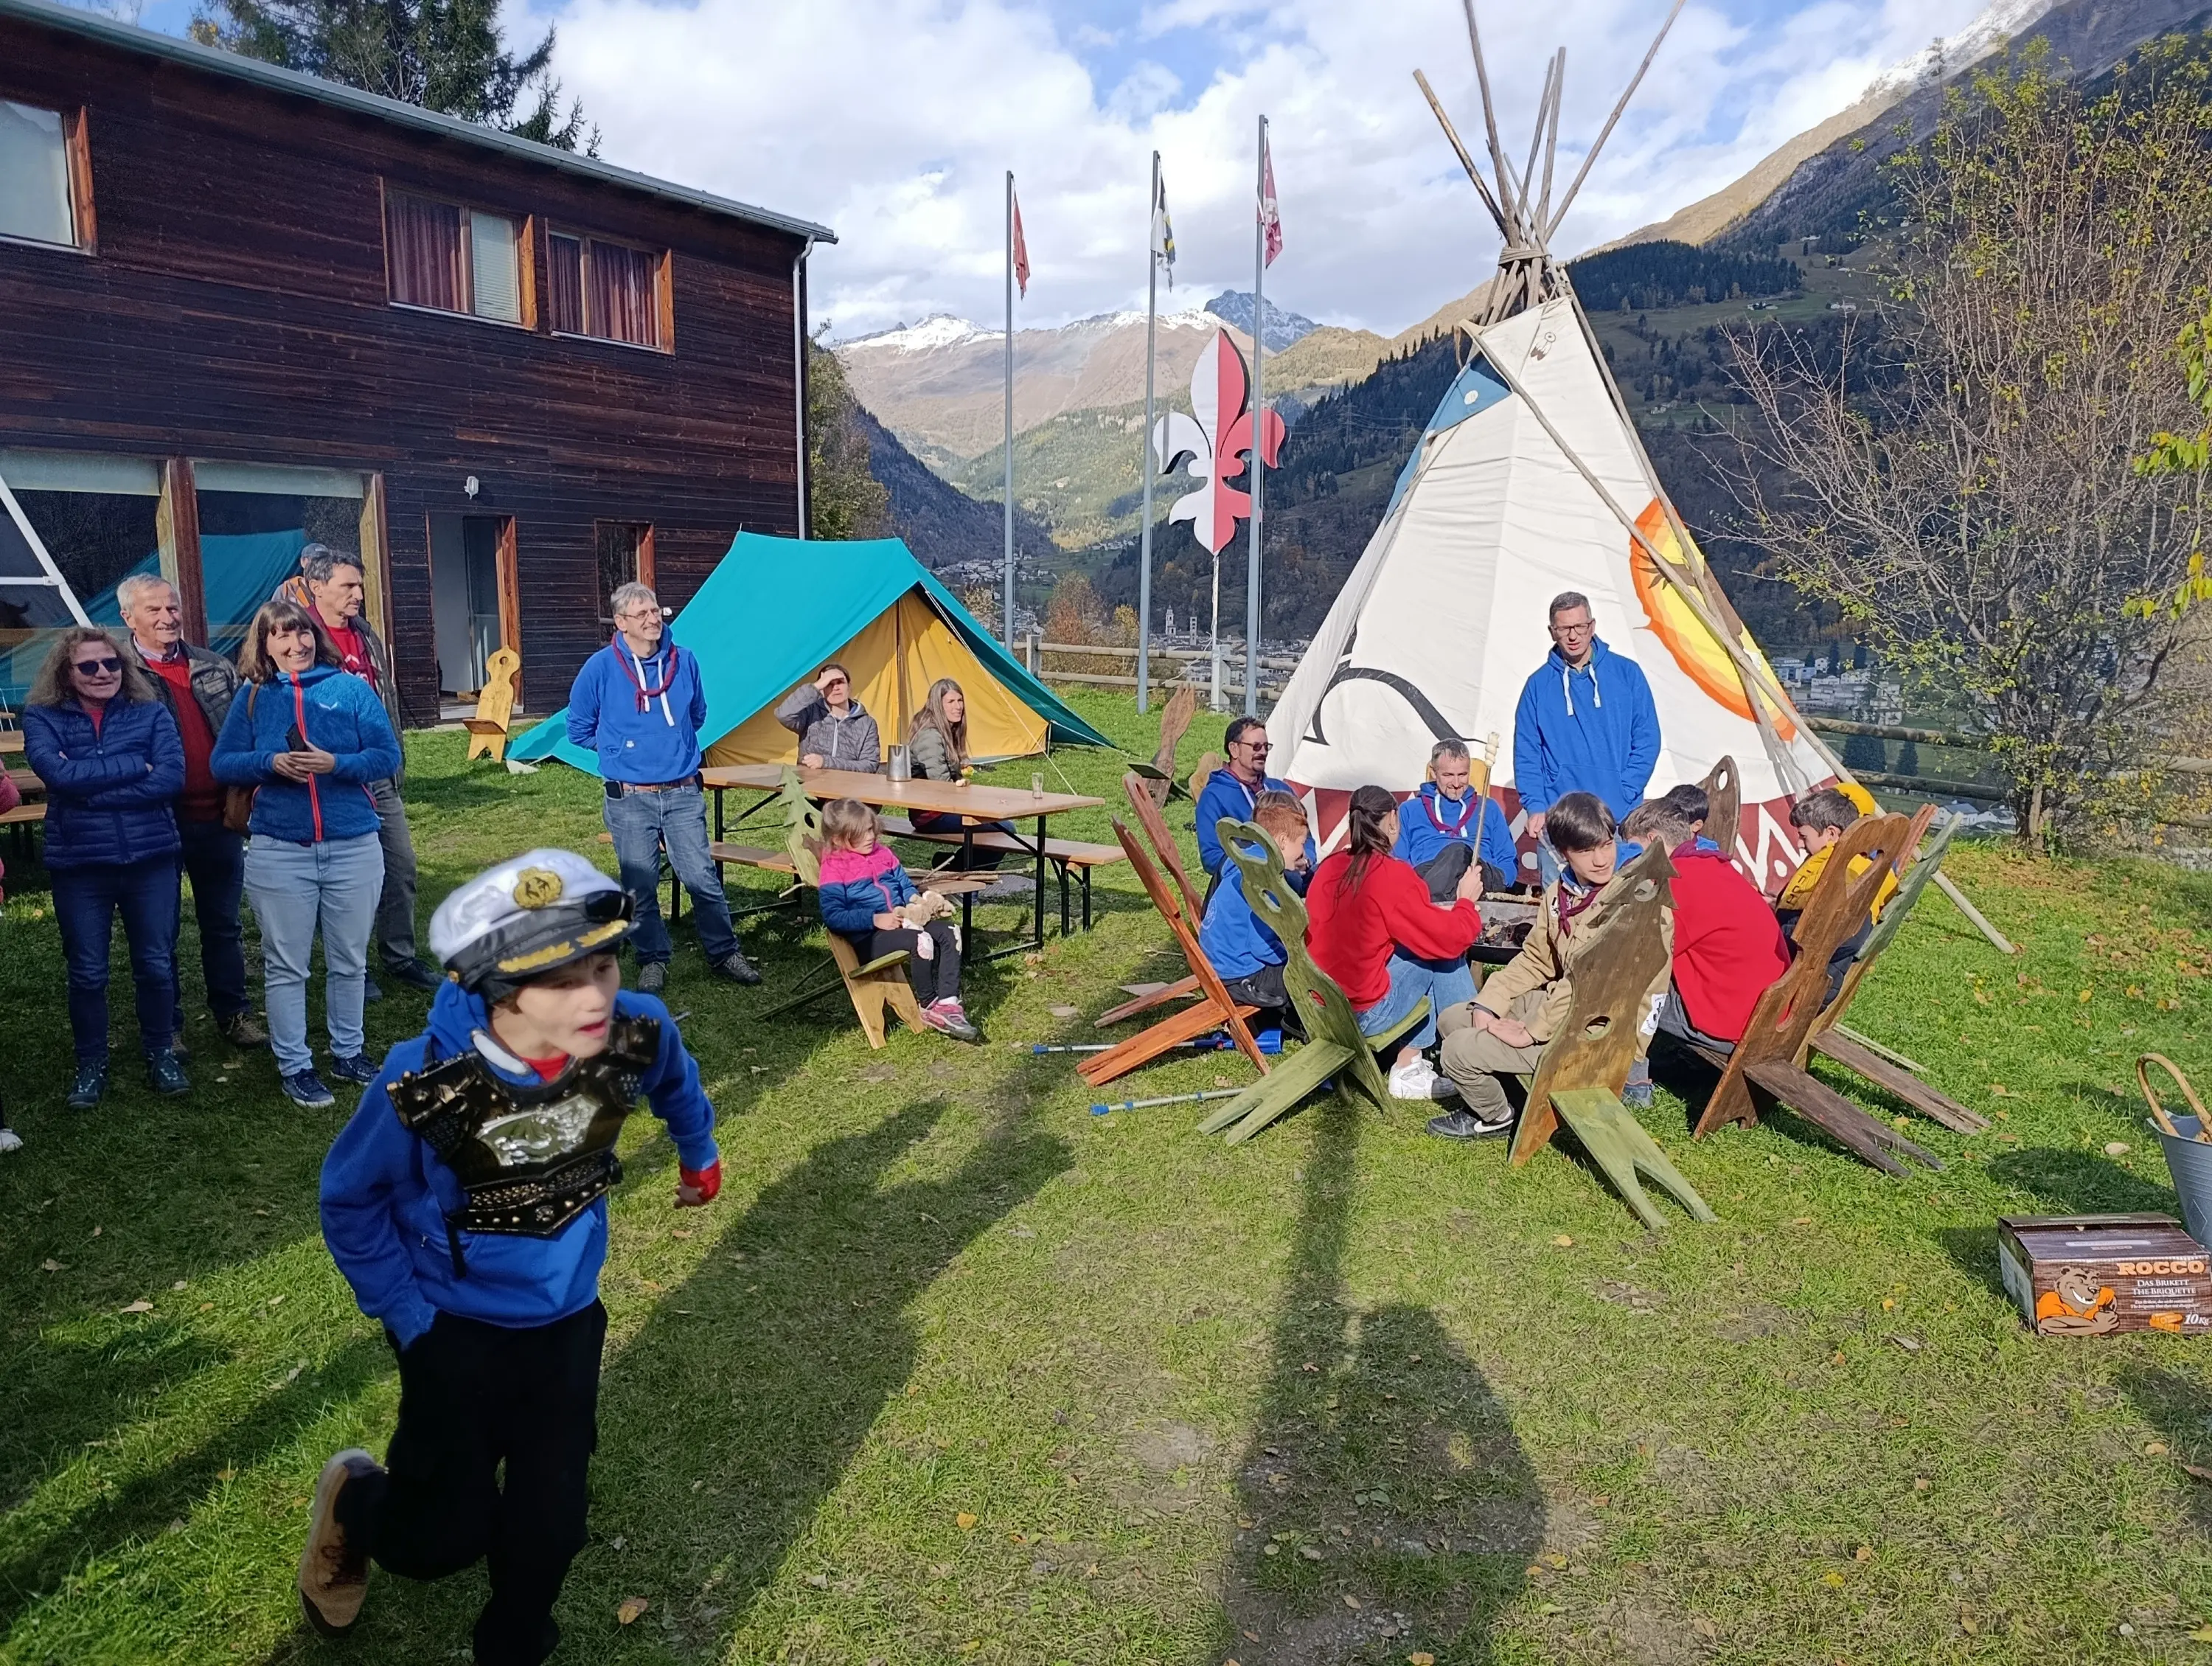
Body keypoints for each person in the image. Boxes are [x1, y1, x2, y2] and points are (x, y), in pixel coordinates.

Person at [300, 849, 722, 1664]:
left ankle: (515, 1641)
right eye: (563, 982)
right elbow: (349, 1202)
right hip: (449, 1328)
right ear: (497, 990)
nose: (596, 994)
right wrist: (410, 1319)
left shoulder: (633, 1029)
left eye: (603, 964)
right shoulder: (421, 1080)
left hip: (567, 1322)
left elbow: (672, 1074)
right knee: (438, 1542)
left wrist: (698, 1151)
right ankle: (356, 1502)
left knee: (551, 1523)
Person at [212, 600, 400, 1108]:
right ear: (265, 644)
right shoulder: (254, 695)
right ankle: (295, 1064)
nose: (296, 645)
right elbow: (223, 761)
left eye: (303, 634)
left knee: (349, 960)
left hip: (354, 843)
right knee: (287, 965)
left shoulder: (350, 688)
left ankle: (349, 1051)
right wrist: (270, 762)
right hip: (280, 850)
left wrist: (334, 762)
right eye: (282, 637)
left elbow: (388, 755)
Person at [564, 580, 759, 992]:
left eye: (656, 612)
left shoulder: (684, 661)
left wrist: (670, 747)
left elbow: (698, 714)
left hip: (683, 791)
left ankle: (724, 953)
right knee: (641, 884)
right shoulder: (599, 668)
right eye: (642, 615)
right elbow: (578, 728)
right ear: (621, 623)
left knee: (701, 876)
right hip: (630, 798)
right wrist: (621, 749)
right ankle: (653, 958)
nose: (653, 620)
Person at [23, 628, 189, 1107]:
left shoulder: (152, 712)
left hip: (151, 858)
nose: (103, 673)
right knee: (87, 972)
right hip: (80, 864)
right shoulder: (42, 717)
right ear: (65, 673)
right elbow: (57, 776)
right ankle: (91, 1062)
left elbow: (172, 778)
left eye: (112, 664)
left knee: (156, 965)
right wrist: (137, 766)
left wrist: (87, 788)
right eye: (89, 666)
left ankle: (161, 1051)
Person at [1433, 792, 1659, 1139]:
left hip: (1595, 1034)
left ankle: (1496, 1116)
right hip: (1561, 1008)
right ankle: (1503, 1080)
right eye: (1585, 851)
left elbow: (1592, 984)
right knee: (1454, 1018)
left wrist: (1532, 1030)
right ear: (1562, 853)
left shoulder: (1635, 900)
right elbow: (1537, 958)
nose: (1601, 860)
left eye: (1606, 845)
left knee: (1457, 1050)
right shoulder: (1560, 894)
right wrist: (1490, 1000)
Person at [118, 573, 268, 1051]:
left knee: (222, 924)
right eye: (154, 610)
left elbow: (242, 730)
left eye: (172, 607)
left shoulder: (213, 666)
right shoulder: (115, 674)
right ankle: (168, 1026)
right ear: (128, 617)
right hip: (155, 823)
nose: (167, 617)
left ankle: (233, 1014)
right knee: (157, 931)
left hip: (218, 819)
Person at [296, 544, 439, 993]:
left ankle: (399, 957)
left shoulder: (364, 632)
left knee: (400, 868)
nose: (358, 593)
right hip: (330, 779)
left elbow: (385, 699)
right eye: (348, 586)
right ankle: (352, 968)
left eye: (360, 584)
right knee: (345, 882)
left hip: (377, 772)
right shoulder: (299, 636)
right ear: (317, 588)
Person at [1306, 783, 1483, 1101]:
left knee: (1419, 947)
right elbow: (1449, 940)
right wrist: (1465, 903)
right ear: (1392, 820)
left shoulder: (1328, 868)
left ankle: (1466, 1039)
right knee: (1438, 955)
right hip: (1360, 1014)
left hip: (1318, 1006)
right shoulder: (1391, 875)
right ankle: (1427, 1059)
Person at [1620, 799, 1790, 1058]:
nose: (1633, 860)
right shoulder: (1713, 865)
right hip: (1771, 1016)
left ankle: (1632, 1077)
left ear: (1654, 841)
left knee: (1622, 983)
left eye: (1635, 849)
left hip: (1739, 1028)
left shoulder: (1677, 882)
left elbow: (1645, 953)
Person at [1512, 592, 1661, 884]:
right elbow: (1527, 752)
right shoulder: (1537, 686)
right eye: (1564, 629)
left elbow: (1647, 739)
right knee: (1560, 912)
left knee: (1617, 909)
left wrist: (1624, 790)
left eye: (1579, 627)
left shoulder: (1626, 674)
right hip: (1560, 820)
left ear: (1592, 626)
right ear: (1552, 632)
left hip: (1616, 820)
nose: (1573, 636)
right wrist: (1536, 806)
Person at [815, 797, 978, 1040]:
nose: (870, 836)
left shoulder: (884, 854)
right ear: (839, 839)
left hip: (904, 922)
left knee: (951, 931)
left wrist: (917, 903)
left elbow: (904, 886)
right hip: (869, 938)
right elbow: (833, 916)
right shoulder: (834, 869)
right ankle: (929, 1006)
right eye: (861, 833)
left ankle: (949, 1003)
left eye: (871, 829)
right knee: (921, 941)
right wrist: (874, 919)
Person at [1198, 789, 1314, 1038]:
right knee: (1305, 980)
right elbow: (1262, 947)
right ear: (1282, 842)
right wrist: (1295, 957)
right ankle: (1301, 1026)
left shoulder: (1245, 859)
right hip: (1238, 976)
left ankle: (1284, 1017)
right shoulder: (1264, 879)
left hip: (1214, 967)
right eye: (1301, 844)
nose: (1303, 853)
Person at [1778, 782, 1896, 1003]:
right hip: (1812, 985)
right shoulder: (1860, 867)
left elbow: (1845, 936)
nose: (1800, 843)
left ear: (1832, 833)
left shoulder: (1843, 877)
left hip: (1799, 991)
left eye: (1804, 837)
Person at [905, 678, 1018, 872]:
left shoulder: (947, 731)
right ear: (937, 706)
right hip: (930, 814)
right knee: (1005, 829)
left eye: (960, 701)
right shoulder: (930, 737)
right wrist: (975, 803)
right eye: (951, 702)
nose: (958, 707)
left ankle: (951, 865)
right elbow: (942, 786)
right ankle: (963, 877)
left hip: (941, 808)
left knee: (997, 825)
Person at [1391, 739, 1519, 901]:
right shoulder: (1410, 810)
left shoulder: (1489, 808)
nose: (1457, 784)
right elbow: (1398, 863)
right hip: (1426, 876)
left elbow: (1508, 861)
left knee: (1459, 852)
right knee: (1451, 857)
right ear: (1433, 771)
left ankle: (1433, 910)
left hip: (1480, 877)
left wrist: (1497, 880)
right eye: (1448, 775)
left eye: (1463, 775)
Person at [1194, 715, 1292, 892]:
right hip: (1242, 889)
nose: (1262, 752)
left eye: (1266, 747)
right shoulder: (1214, 796)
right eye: (1255, 746)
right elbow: (1211, 857)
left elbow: (1304, 836)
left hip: (1291, 878)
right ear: (1234, 749)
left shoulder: (1281, 790)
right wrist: (1261, 864)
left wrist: (1305, 859)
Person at [776, 662, 880, 772]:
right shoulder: (811, 713)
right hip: (809, 784)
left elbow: (869, 765)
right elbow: (783, 715)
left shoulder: (867, 723)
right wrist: (816, 686)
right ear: (822, 689)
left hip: (848, 786)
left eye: (840, 682)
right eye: (829, 684)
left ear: (849, 687)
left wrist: (826, 762)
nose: (835, 688)